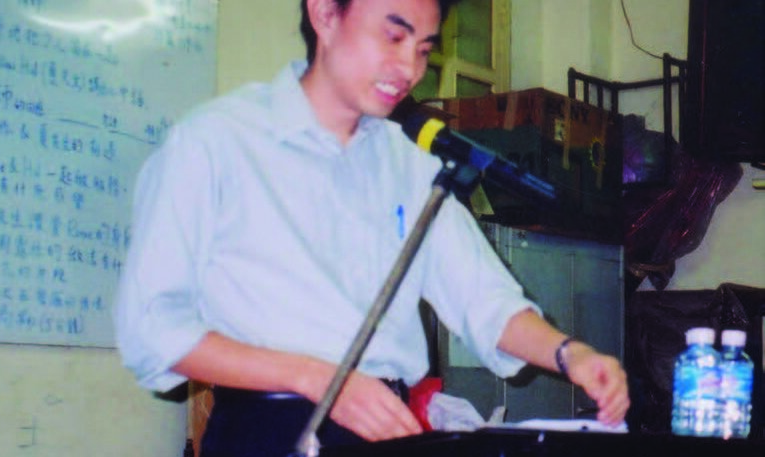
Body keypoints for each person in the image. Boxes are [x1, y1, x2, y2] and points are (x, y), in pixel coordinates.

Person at [113, 0, 630, 455]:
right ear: (325, 13)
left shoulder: (409, 165)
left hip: (384, 428)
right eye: (393, 36)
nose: (409, 69)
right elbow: (153, 330)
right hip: (267, 428)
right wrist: (319, 378)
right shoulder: (216, 142)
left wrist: (571, 354)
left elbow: (484, 300)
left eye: (423, 50)